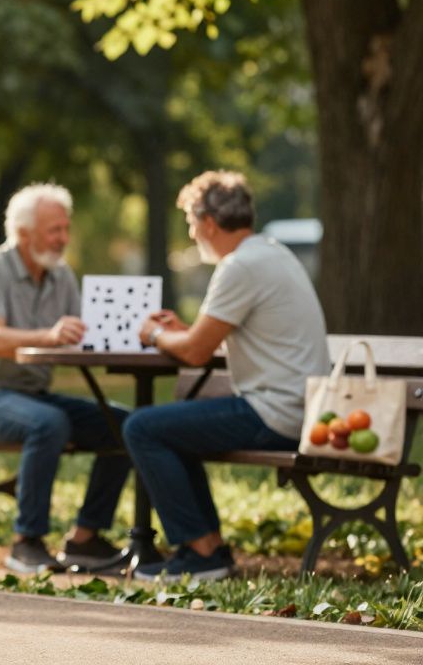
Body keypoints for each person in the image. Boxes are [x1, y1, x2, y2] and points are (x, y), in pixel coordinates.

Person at [126, 171, 330, 582]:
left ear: (208, 224)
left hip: (276, 411)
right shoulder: (272, 253)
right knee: (171, 430)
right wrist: (184, 334)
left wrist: (155, 334)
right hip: (299, 405)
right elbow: (214, 338)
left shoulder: (240, 266)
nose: (191, 232)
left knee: (142, 428)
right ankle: (208, 546)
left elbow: (197, 352)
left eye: (190, 222)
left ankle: (202, 556)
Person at [0, 183, 132, 573]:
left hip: (32, 395)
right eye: (54, 230)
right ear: (24, 233)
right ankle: (25, 542)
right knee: (49, 423)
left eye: (65, 229)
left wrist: (136, 329)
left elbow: (83, 334)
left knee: (127, 424)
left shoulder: (61, 276)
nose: (63, 239)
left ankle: (85, 538)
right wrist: (48, 336)